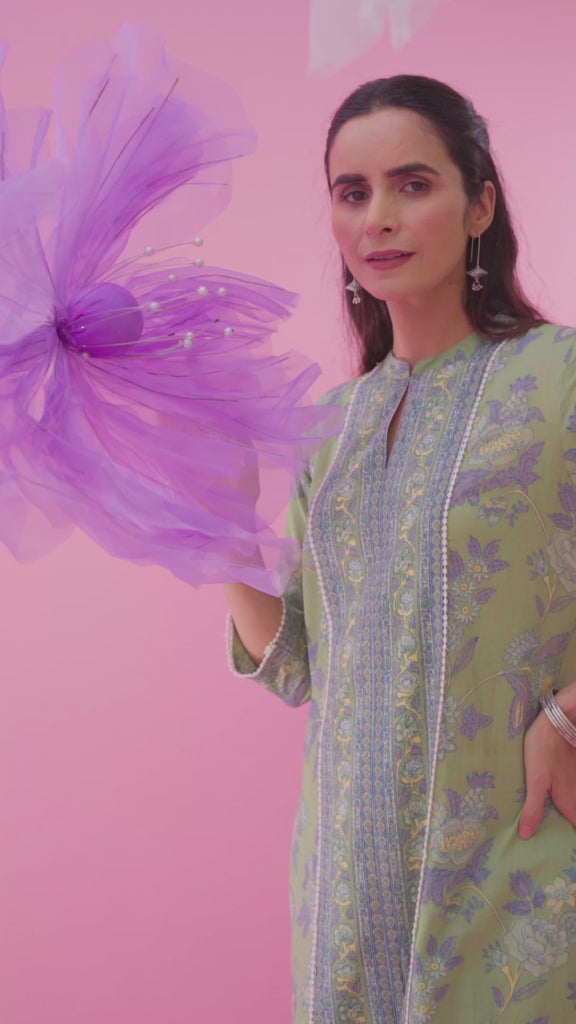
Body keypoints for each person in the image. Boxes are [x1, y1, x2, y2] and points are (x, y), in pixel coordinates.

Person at [224, 75, 576, 1024]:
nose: (378, 216)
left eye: (413, 184)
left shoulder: (561, 375)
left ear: (480, 205)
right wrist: (221, 530)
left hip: (522, 871)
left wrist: (569, 714)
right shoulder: (329, 430)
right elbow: (299, 668)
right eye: (353, 192)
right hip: (346, 892)